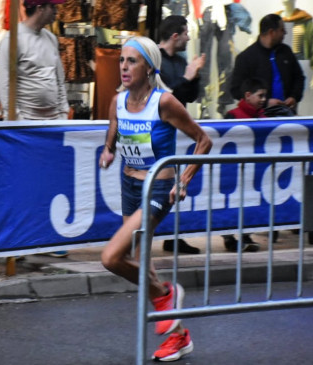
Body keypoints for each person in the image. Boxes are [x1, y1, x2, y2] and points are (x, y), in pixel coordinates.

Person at [99, 36, 212, 362]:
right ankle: (179, 337)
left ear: (149, 67)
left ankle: (167, 295)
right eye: (122, 60)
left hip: (157, 189)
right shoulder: (118, 100)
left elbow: (203, 141)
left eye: (132, 61)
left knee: (111, 257)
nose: (123, 66)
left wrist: (184, 180)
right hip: (128, 186)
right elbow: (114, 128)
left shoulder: (164, 102)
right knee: (140, 262)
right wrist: (108, 150)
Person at [0, 0, 70, 258]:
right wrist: (12, 120)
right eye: (54, 7)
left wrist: (63, 111)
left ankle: (49, 237)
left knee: (50, 181)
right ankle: (18, 240)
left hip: (51, 123)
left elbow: (58, 76)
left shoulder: (50, 38)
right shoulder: (13, 38)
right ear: (40, 8)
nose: (57, 11)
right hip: (25, 122)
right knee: (23, 183)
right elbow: (4, 80)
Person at [158, 15, 206, 255]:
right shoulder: (154, 59)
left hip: (175, 129)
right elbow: (165, 96)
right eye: (186, 33)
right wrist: (187, 76)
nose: (189, 37)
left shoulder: (180, 61)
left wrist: (194, 76)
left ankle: (172, 236)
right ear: (175, 36)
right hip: (155, 131)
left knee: (174, 183)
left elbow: (188, 96)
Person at [223, 77, 268, 252]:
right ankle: (229, 237)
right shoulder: (233, 115)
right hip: (234, 172)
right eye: (260, 95)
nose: (263, 99)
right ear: (248, 95)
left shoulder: (263, 117)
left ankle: (245, 235)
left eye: (265, 96)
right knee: (233, 204)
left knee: (248, 203)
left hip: (254, 171)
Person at [230, 13, 305, 114]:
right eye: (282, 30)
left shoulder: (286, 52)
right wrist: (265, 102)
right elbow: (236, 90)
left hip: (287, 113)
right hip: (259, 117)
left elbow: (299, 78)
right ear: (271, 32)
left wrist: (294, 97)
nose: (285, 33)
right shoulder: (246, 58)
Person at [277, 0, 313, 89]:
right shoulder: (275, 20)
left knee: (297, 92)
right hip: (279, 62)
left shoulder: (306, 20)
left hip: (300, 63)